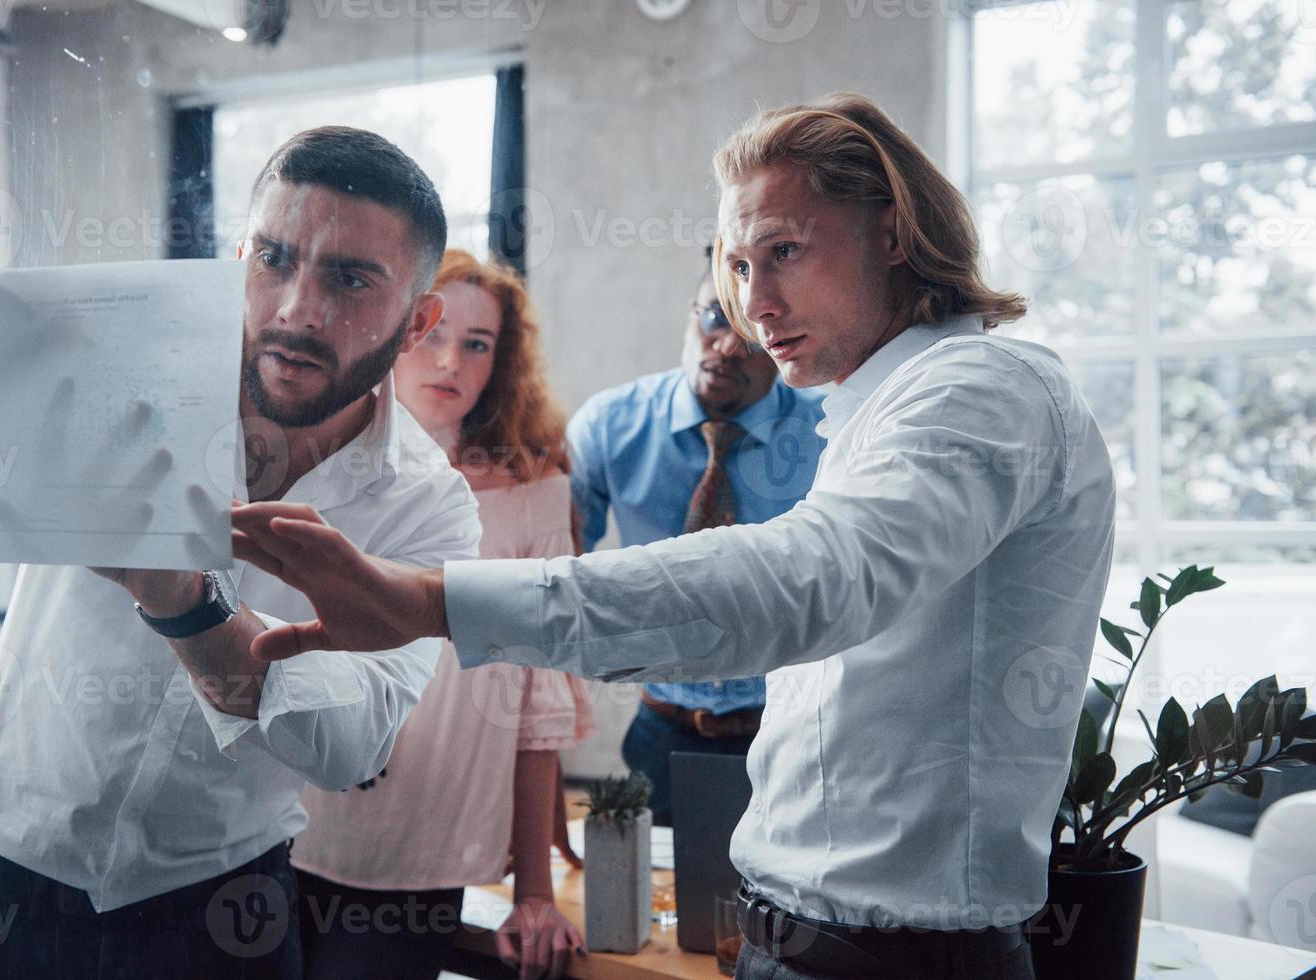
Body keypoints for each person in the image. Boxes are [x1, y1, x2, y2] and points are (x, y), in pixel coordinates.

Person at [233, 92, 1118, 980]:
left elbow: (805, 582)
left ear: (892, 234)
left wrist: (432, 600)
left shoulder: (979, 387)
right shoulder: (867, 412)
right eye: (737, 266)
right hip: (804, 939)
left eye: (784, 252)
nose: (752, 303)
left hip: (899, 961)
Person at [0, 126, 482, 978]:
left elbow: (349, 745)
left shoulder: (429, 507)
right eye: (274, 257)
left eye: (350, 278)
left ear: (419, 322)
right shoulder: (112, 374)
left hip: (221, 914)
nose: (296, 307)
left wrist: (185, 603)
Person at [292, 248, 592, 980]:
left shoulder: (532, 493)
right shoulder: (318, 463)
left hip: (423, 839)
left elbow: (534, 710)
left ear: (501, 363)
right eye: (433, 335)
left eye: (478, 344)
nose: (450, 360)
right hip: (290, 826)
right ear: (397, 332)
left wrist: (532, 895)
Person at [567, 247, 824, 826]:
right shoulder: (610, 426)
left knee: (783, 912)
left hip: (794, 733)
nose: (728, 346)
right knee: (659, 903)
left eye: (754, 333)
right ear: (690, 314)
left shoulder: (831, 432)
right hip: (664, 729)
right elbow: (557, 564)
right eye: (715, 317)